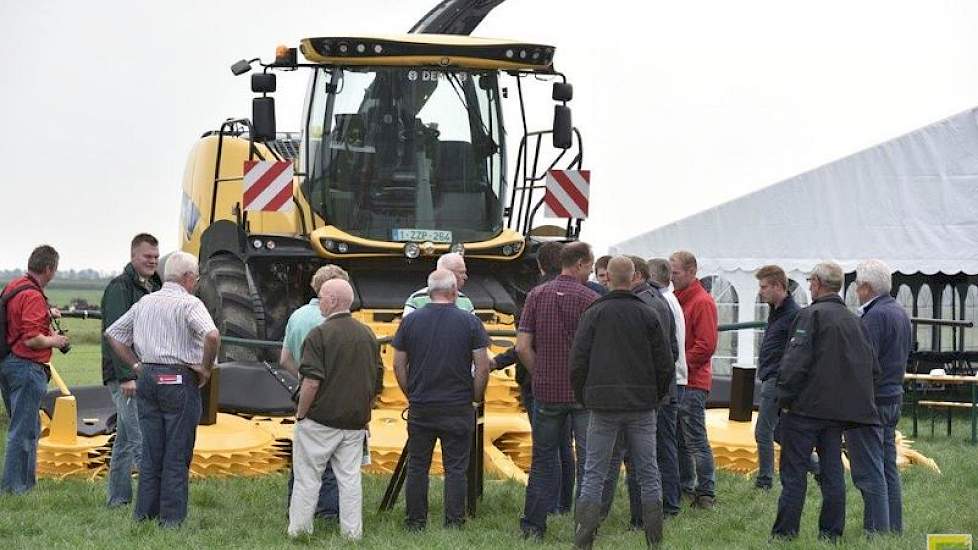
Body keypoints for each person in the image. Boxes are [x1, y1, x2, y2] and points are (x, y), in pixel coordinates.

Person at [105, 251, 220, 527]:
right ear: (189, 277)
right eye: (196, 278)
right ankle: (171, 520)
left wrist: (135, 366)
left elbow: (113, 334)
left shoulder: (145, 302)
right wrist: (205, 368)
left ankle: (144, 514)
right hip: (178, 379)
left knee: (152, 450)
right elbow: (212, 335)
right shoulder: (190, 304)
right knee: (177, 452)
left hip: (148, 377)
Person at [771, 262, 880, 541]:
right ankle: (831, 534)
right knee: (832, 474)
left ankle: (785, 534)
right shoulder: (855, 320)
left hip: (804, 410)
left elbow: (794, 363)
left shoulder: (810, 316)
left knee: (794, 475)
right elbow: (872, 368)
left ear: (818, 283)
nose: (809, 285)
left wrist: (781, 399)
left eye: (810, 281)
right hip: (836, 414)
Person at [571, 256, 675, 549]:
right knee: (648, 471)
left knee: (594, 472)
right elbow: (665, 363)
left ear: (609, 278)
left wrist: (584, 396)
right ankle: (654, 540)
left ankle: (583, 540)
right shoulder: (648, 313)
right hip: (642, 405)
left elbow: (578, 362)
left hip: (602, 405)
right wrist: (654, 397)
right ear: (633, 277)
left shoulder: (594, 313)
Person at [392, 269, 492, 530]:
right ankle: (454, 522)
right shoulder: (470, 322)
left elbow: (398, 365)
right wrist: (475, 398)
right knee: (457, 468)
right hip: (458, 405)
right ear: (454, 292)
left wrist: (410, 394)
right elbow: (482, 367)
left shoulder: (410, 322)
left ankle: (415, 522)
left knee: (417, 466)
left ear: (428, 291)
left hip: (422, 404)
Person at [287, 278, 383, 540]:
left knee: (308, 478)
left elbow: (311, 381)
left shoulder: (319, 335)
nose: (320, 302)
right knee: (350, 480)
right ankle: (352, 534)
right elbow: (377, 382)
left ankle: (300, 532)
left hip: (319, 420)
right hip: (355, 423)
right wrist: (365, 413)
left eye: (323, 297)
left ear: (332, 301)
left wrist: (301, 414)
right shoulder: (368, 335)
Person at [517, 241, 599, 540]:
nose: (590, 271)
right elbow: (596, 350)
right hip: (581, 394)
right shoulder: (590, 299)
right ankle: (585, 528)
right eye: (589, 265)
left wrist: (541, 373)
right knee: (589, 461)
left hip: (546, 392)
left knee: (543, 459)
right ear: (578, 264)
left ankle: (533, 526)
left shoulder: (536, 295)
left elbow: (522, 346)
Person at [599, 256, 678, 528]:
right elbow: (670, 354)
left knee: (630, 461)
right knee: (645, 461)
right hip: (648, 395)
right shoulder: (657, 302)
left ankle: (636, 518)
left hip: (636, 397)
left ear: (637, 276)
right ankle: (645, 518)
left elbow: (662, 356)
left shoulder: (645, 305)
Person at [844, 259, 911, 534]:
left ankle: (876, 531)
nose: (857, 291)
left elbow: (863, 364)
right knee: (887, 467)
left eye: (858, 286)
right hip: (893, 396)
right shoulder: (898, 312)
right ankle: (893, 528)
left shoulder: (873, 317)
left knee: (870, 472)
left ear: (867, 287)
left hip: (873, 401)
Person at [280, 264, 350, 521]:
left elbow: (284, 358)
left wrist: (303, 376)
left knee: (303, 455)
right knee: (331, 456)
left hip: (303, 391)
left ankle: (295, 507)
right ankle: (327, 512)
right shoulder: (330, 321)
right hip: (330, 395)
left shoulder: (297, 316)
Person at [100, 233, 161, 508]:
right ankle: (150, 505)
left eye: (156, 257)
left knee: (125, 440)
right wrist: (126, 376)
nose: (153, 261)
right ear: (133, 256)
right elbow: (114, 335)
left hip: (143, 371)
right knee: (141, 439)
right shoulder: (119, 288)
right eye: (148, 256)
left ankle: (118, 498)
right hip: (126, 376)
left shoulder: (155, 286)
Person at [1, 245, 67, 495]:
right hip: (27, 366)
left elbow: (17, 320)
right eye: (54, 270)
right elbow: (32, 339)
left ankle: (25, 485)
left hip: (8, 364)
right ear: (49, 268)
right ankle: (13, 488)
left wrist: (47, 313)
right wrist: (57, 341)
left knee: (28, 428)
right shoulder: (33, 296)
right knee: (23, 430)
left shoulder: (15, 286)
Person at [670, 250, 718, 509]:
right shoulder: (681, 299)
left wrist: (679, 364)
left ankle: (706, 491)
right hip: (683, 380)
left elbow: (706, 345)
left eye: (675, 273)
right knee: (681, 438)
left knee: (695, 439)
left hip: (692, 381)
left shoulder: (701, 302)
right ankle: (687, 485)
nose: (672, 277)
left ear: (691, 271)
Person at [752, 265, 800, 491]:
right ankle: (814, 467)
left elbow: (795, 351)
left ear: (779, 286)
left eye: (764, 287)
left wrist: (780, 375)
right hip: (773, 376)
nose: (761, 291)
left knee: (763, 431)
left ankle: (765, 480)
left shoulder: (792, 315)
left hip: (777, 380)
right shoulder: (777, 310)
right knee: (780, 433)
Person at [648, 257, 687, 517]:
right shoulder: (670, 301)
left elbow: (667, 350)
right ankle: (671, 499)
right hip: (674, 380)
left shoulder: (661, 303)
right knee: (669, 444)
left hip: (668, 383)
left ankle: (670, 503)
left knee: (664, 446)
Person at [403, 252, 473, 315]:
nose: (465, 277)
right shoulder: (416, 300)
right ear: (447, 273)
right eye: (461, 272)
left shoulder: (466, 301)